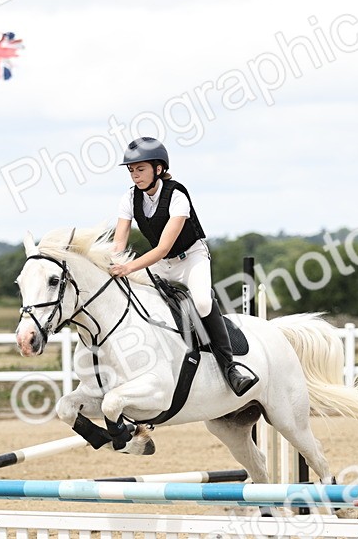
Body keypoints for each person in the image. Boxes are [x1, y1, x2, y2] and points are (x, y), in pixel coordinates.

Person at [109, 137, 258, 396]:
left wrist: (129, 268)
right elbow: (119, 242)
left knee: (202, 302)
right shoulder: (129, 198)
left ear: (158, 169)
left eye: (140, 169)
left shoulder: (177, 195)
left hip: (191, 258)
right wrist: (113, 263)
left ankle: (230, 368)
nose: (135, 175)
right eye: (131, 170)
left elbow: (163, 247)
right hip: (161, 264)